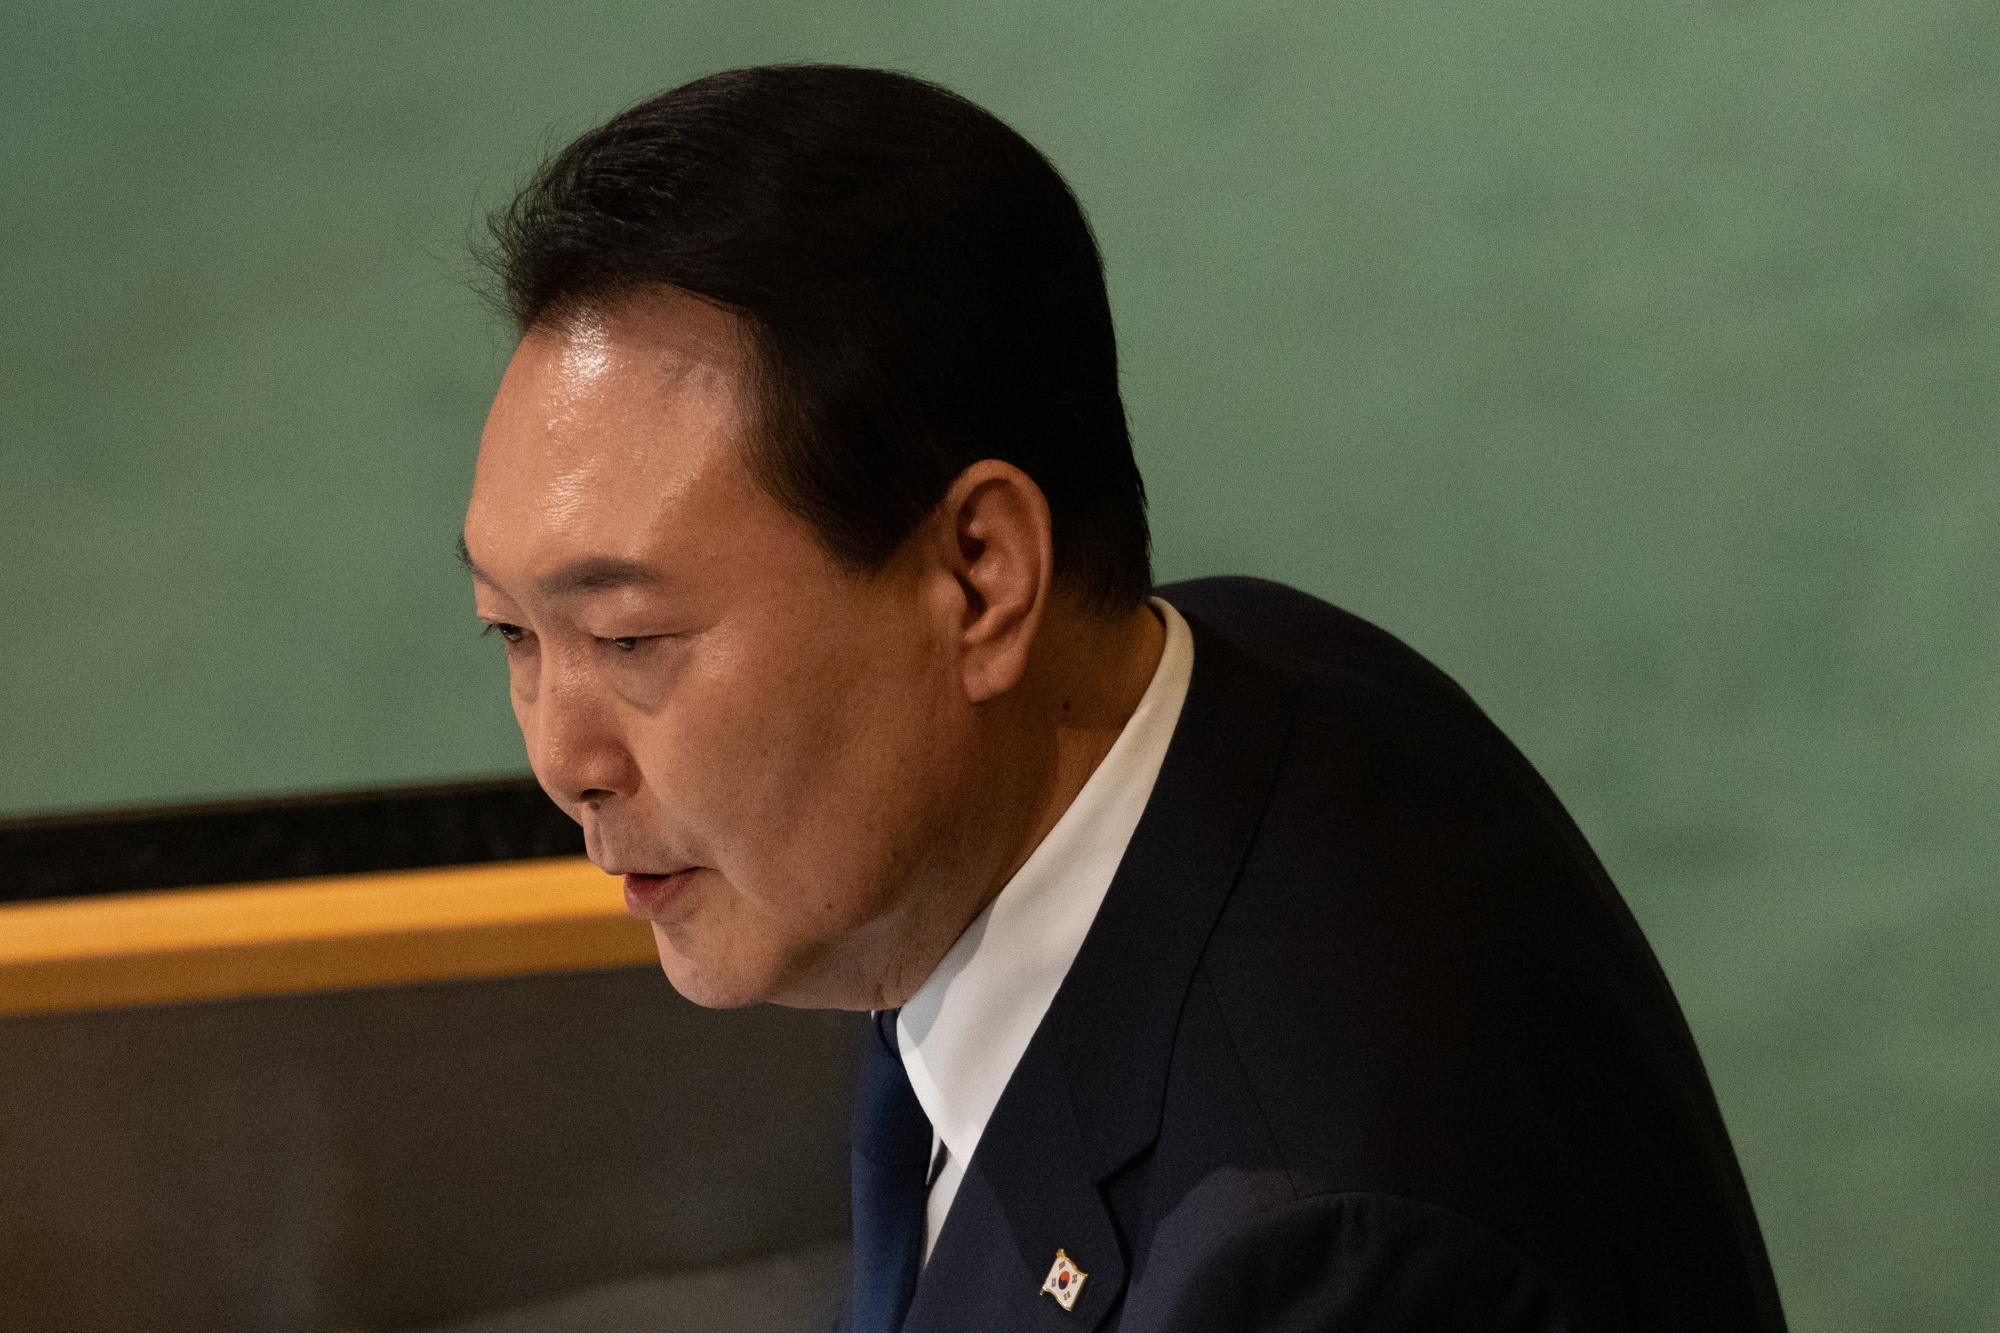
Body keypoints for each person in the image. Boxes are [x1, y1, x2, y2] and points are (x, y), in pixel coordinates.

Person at [460, 64, 1786, 1333]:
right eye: (512, 632)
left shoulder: (1317, 1261)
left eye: (628, 637)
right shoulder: (1225, 683)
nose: (565, 757)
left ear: (982, 578)